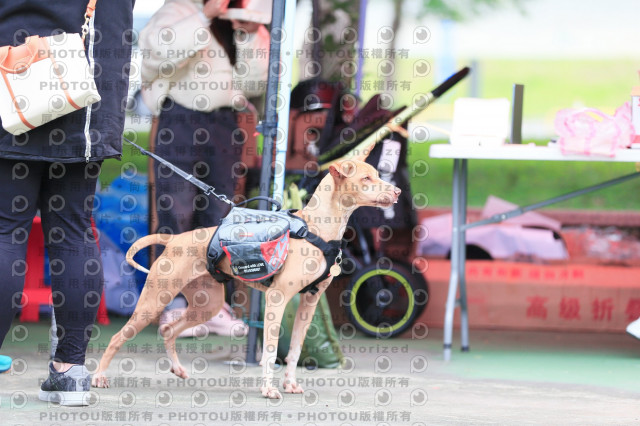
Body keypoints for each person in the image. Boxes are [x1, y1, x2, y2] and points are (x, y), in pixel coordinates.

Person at [0, 0, 134, 405]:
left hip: (14, 81)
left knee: (6, 229)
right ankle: (70, 371)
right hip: (85, 91)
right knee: (73, 230)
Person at [139, 0, 270, 336]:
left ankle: (211, 305)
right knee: (175, 214)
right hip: (179, 120)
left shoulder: (239, 18)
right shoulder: (177, 10)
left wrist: (249, 35)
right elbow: (155, 57)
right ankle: (174, 304)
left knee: (218, 217)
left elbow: (255, 83)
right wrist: (204, 16)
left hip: (225, 123)